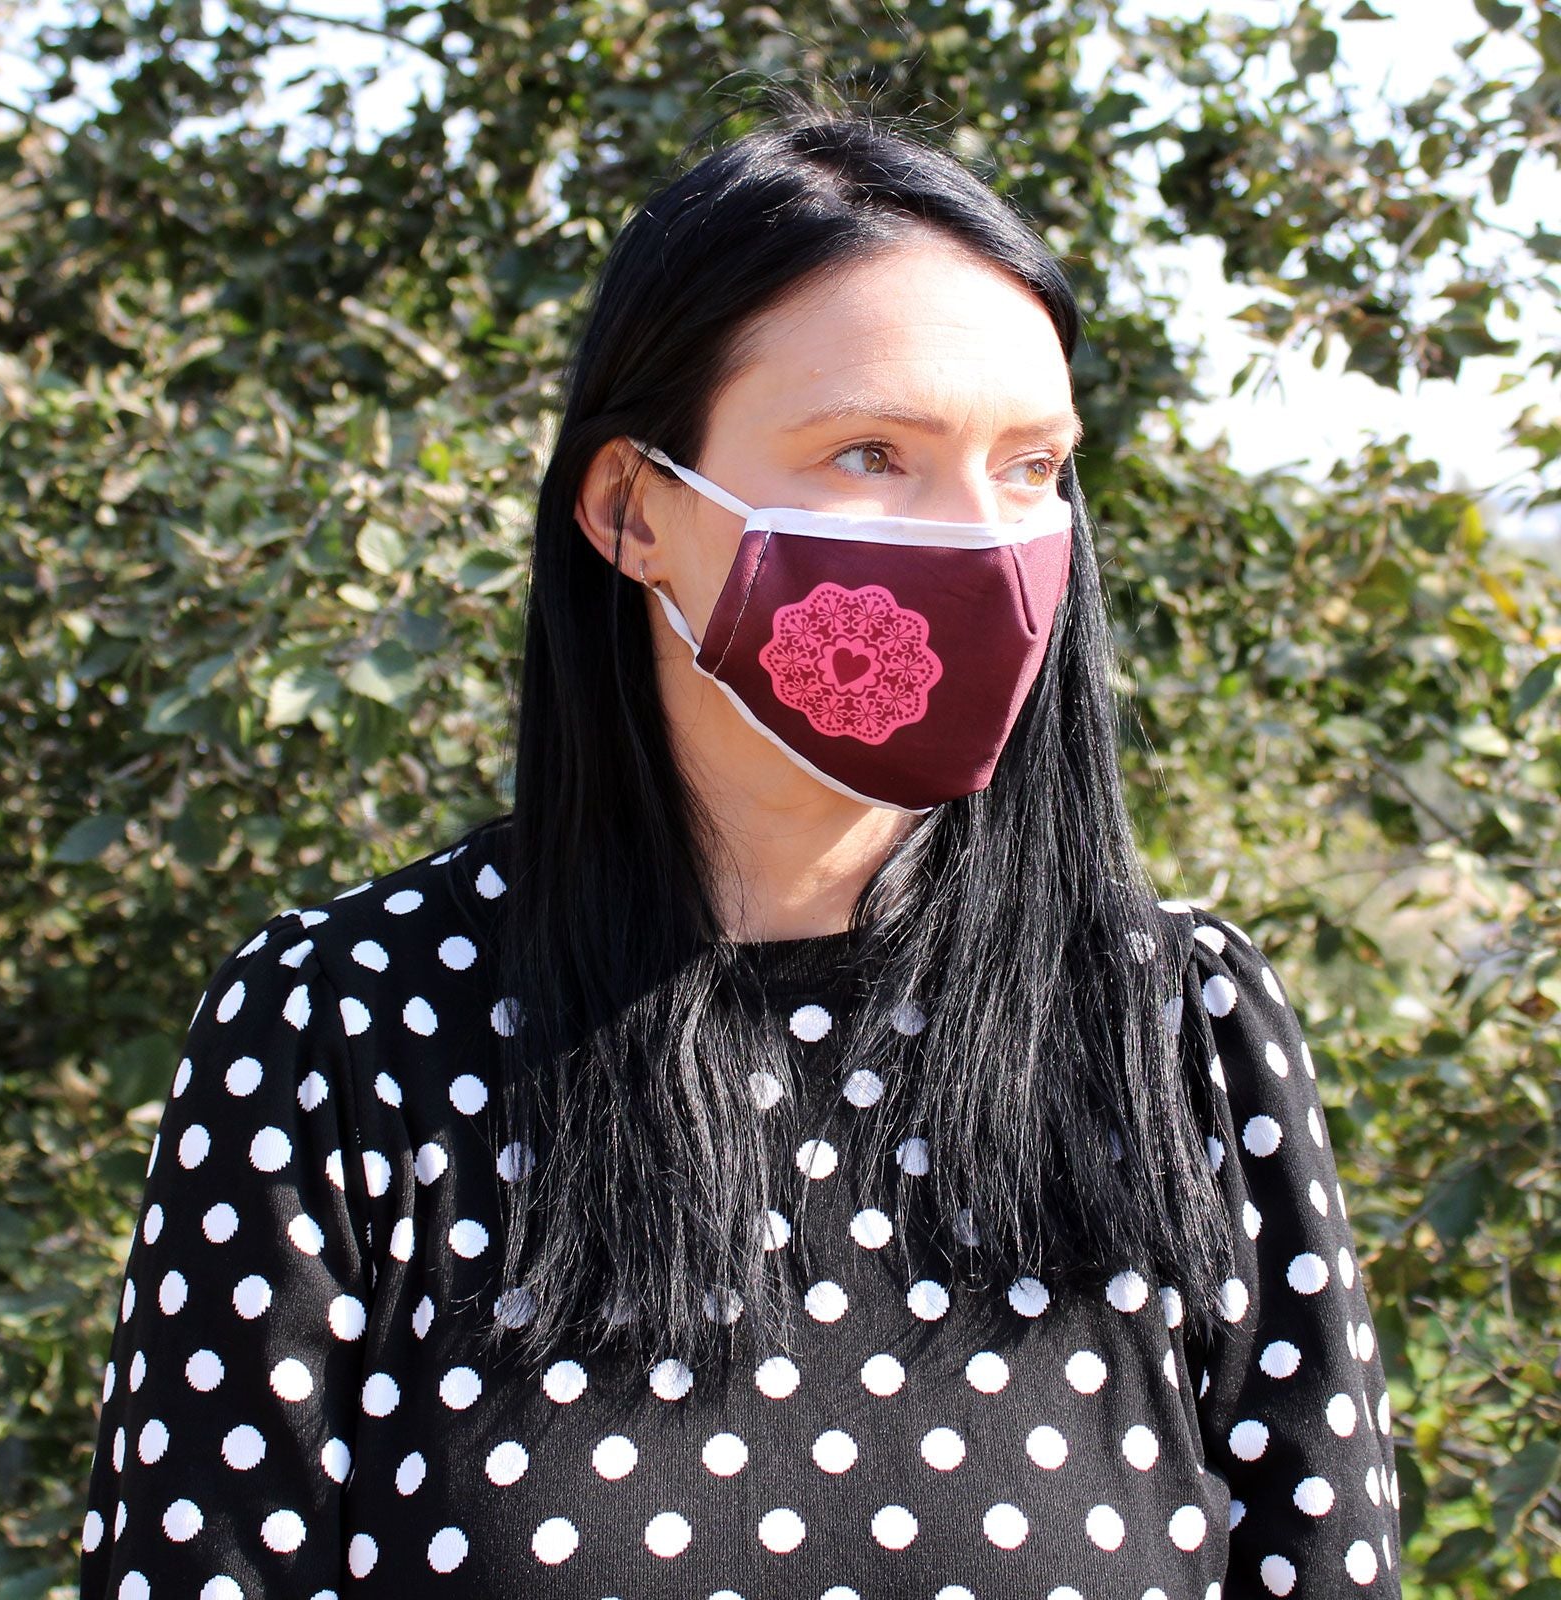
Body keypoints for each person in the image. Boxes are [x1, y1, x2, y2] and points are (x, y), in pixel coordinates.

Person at [77, 112, 1404, 1600]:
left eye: (1033, 467)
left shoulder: (1178, 1028)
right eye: (871, 455)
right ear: (633, 508)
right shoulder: (343, 1031)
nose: (980, 542)